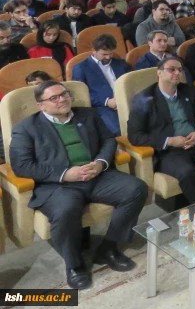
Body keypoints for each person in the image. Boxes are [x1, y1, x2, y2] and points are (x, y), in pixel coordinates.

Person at [9, 80, 147, 290]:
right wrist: (65, 174)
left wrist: (100, 163)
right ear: (41, 105)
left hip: (96, 175)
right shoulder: (26, 128)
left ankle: (108, 248)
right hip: (58, 185)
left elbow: (109, 140)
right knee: (65, 209)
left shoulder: (87, 115)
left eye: (64, 94)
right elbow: (22, 166)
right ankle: (74, 265)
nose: (62, 99)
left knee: (136, 189)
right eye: (54, 98)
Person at [127, 56, 195, 203]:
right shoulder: (144, 99)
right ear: (159, 73)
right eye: (171, 70)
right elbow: (135, 136)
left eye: (179, 70)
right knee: (188, 173)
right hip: (169, 151)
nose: (177, 73)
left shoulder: (188, 90)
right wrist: (169, 141)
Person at [71, 34, 129, 136]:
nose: (108, 57)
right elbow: (80, 95)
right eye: (104, 54)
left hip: (126, 101)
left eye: (111, 53)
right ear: (94, 50)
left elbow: (130, 83)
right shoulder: (81, 68)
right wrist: (106, 102)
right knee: (120, 131)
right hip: (102, 107)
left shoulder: (121, 63)